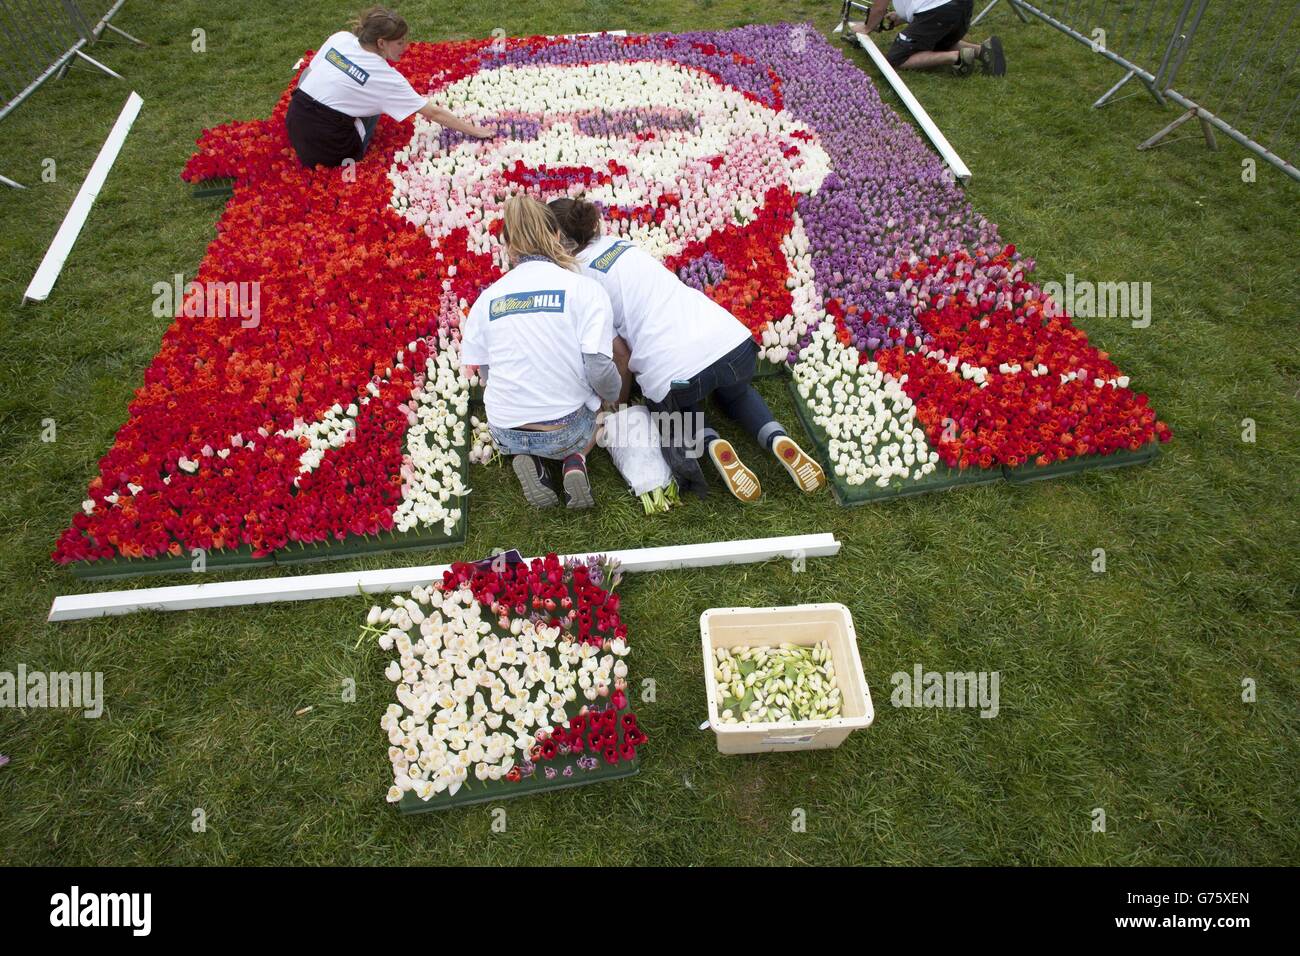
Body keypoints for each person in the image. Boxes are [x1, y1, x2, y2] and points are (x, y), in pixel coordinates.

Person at [550, 196, 827, 504]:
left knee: (675, 406)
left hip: (674, 369)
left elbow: (622, 357)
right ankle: (777, 437)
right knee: (735, 392)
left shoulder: (580, 277)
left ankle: (711, 444)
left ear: (559, 239)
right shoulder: (619, 244)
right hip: (731, 344)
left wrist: (619, 404)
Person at [460, 196, 622, 510]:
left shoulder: (488, 299)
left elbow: (486, 373)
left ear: (508, 246)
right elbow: (600, 368)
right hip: (566, 428)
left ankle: (529, 461)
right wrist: (611, 398)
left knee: (524, 419)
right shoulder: (582, 289)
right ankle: (574, 460)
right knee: (601, 413)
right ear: (555, 234)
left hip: (505, 428)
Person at [286, 6, 494, 169]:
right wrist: (475, 131)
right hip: (332, 151)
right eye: (400, 43)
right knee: (374, 104)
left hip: (295, 124)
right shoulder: (385, 78)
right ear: (381, 43)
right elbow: (433, 112)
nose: (406, 47)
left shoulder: (340, 38)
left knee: (314, 76)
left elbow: (308, 73)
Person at [851, 0, 1006, 77]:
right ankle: (981, 50)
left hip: (941, 12)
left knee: (896, 58)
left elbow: (879, 8)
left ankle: (957, 57)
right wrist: (903, 16)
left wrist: (866, 28)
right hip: (962, 8)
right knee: (933, 38)